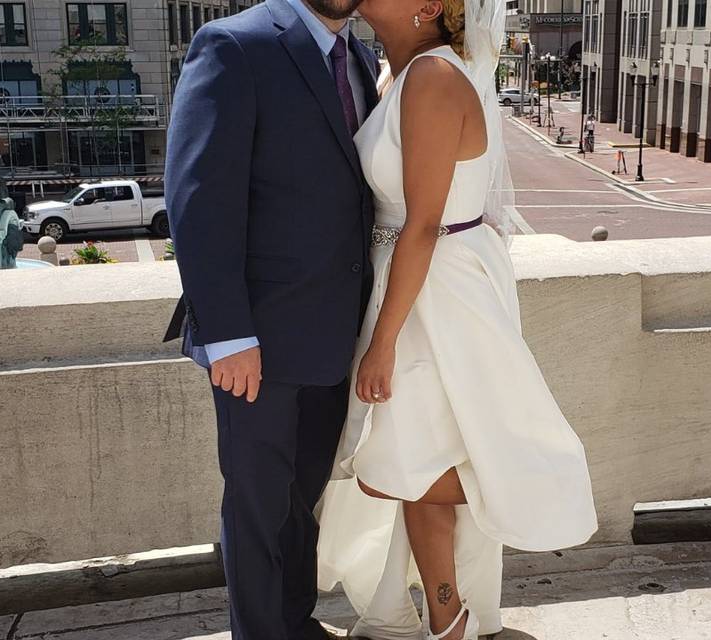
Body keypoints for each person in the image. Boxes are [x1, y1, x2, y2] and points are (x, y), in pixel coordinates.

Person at [316, 0, 600, 639]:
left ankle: (515, 507)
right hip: (413, 280)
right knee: (413, 452)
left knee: (405, 460)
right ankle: (447, 617)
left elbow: (422, 221)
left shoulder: (435, 79)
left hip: (436, 290)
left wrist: (383, 341)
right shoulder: (397, 73)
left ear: (431, 5)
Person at [161, 0, 380, 637]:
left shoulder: (361, 59)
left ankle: (293, 621)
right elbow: (198, 198)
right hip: (254, 340)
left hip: (334, 332)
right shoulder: (233, 45)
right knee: (256, 506)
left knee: (302, 501)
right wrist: (228, 334)